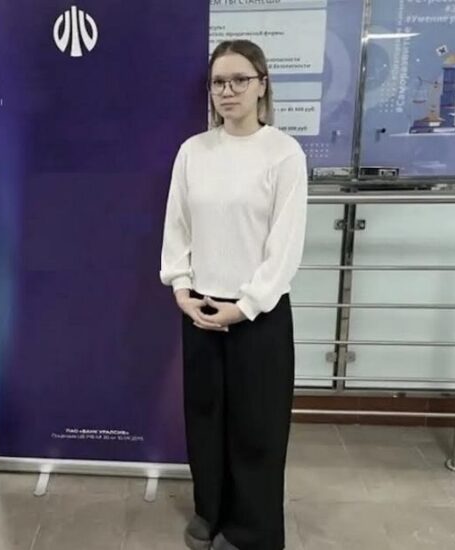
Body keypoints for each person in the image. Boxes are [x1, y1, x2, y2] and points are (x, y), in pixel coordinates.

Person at [160, 39, 307, 550]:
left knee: (257, 427)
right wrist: (181, 286)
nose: (228, 90)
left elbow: (285, 244)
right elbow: (177, 224)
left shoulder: (283, 153)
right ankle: (211, 510)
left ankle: (253, 531)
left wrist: (244, 307)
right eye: (219, 82)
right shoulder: (194, 151)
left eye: (240, 79)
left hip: (258, 315)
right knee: (205, 419)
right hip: (201, 308)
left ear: (262, 85)